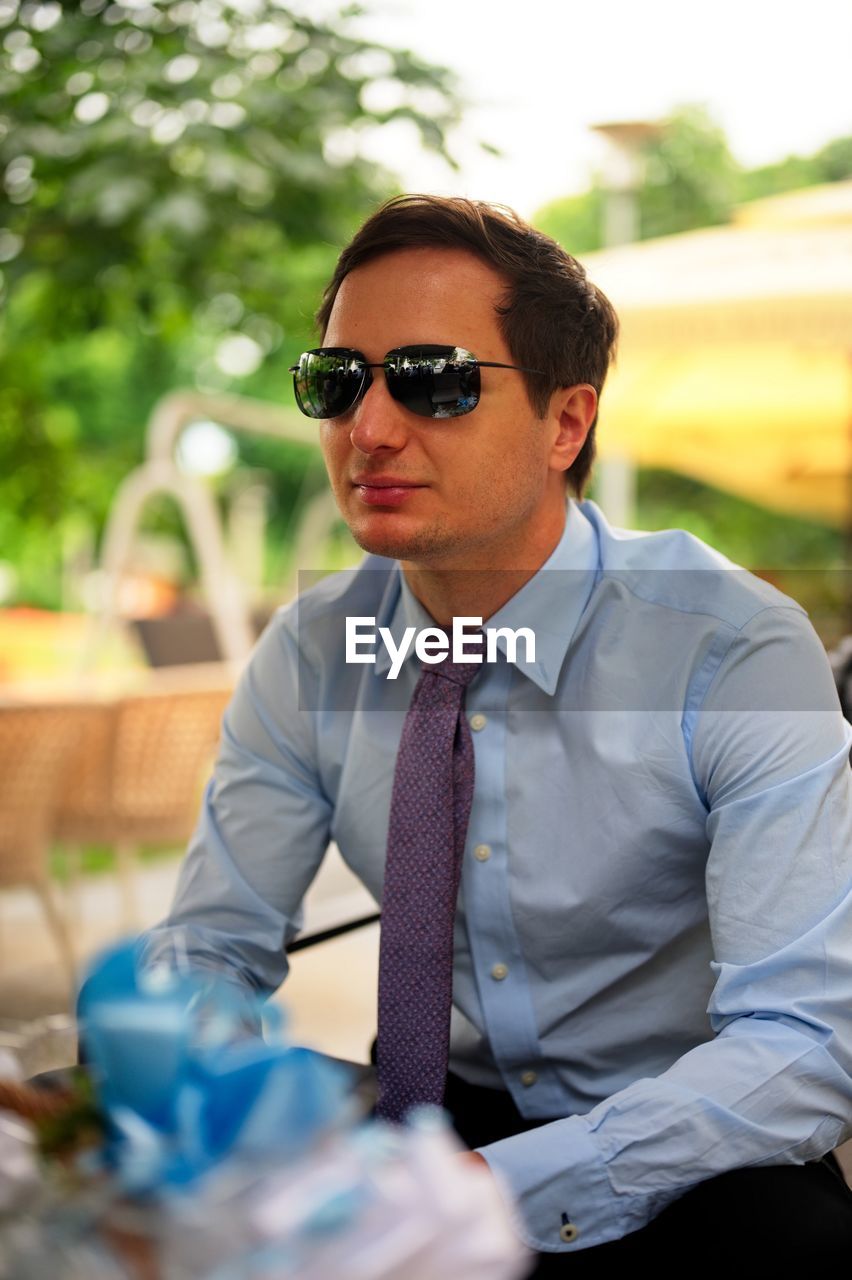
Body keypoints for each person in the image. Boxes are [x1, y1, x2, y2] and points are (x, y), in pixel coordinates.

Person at [142, 195, 852, 1268]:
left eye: (435, 380)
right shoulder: (313, 652)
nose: (368, 430)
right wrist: (208, 1098)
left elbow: (805, 1045)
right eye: (338, 382)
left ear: (567, 423)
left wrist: (489, 1190)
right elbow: (210, 945)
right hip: (419, 1117)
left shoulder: (731, 648)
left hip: (683, 1141)